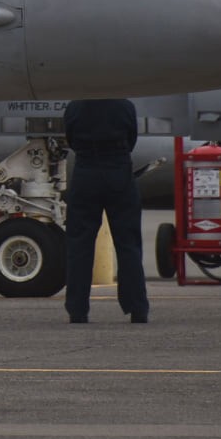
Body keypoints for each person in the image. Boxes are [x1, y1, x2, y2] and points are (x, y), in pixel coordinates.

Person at [61, 98, 150, 324]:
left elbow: (70, 138)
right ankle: (137, 307)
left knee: (79, 244)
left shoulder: (75, 106)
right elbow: (132, 139)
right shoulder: (125, 105)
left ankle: (77, 310)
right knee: (128, 243)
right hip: (119, 170)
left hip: (86, 170)